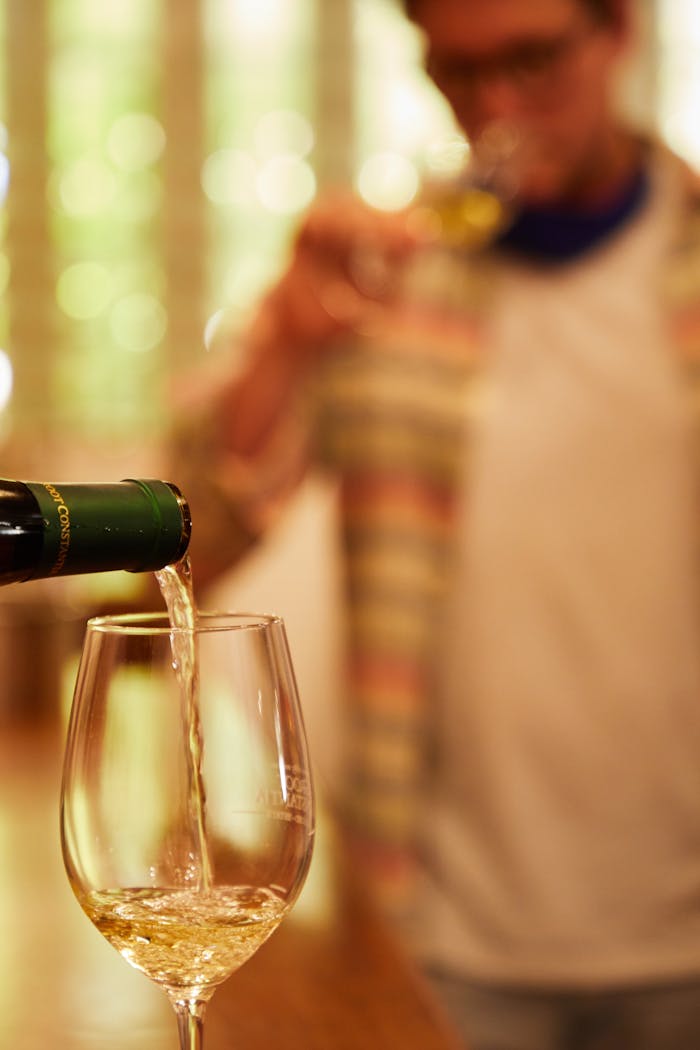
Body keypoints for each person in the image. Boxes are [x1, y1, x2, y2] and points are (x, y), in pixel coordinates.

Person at [172, 1, 700, 1047]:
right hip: (449, 941)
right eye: (456, 72)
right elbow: (191, 540)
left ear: (617, 33)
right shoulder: (381, 278)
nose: (494, 107)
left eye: (531, 59)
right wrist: (283, 334)